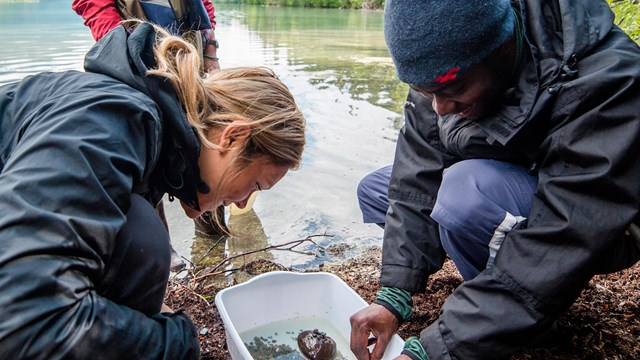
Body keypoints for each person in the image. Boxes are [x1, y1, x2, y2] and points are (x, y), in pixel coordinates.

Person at [351, 0, 640, 359]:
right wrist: (394, 295)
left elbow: (570, 229)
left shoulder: (605, 79)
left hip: (601, 218)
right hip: (511, 175)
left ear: (502, 48)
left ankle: (525, 314)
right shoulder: (443, 68)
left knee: (462, 195)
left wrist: (436, 349)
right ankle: (490, 288)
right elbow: (415, 174)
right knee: (378, 190)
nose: (438, 107)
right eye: (427, 93)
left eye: (450, 90)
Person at [0, 21, 305, 358]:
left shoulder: (155, 136)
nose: (245, 200)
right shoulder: (108, 121)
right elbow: (23, 315)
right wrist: (177, 343)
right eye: (255, 184)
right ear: (232, 137)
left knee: (140, 239)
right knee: (143, 238)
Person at [73, 0, 225, 272]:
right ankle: (160, 254)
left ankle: (213, 247)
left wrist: (210, 53)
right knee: (147, 151)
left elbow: (205, 5)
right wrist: (120, 50)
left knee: (207, 141)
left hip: (192, 53)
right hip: (136, 52)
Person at [72, 0, 220, 73]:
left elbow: (204, 5)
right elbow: (95, 7)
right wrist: (120, 53)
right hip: (141, 65)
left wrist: (210, 49)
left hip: (191, 63)